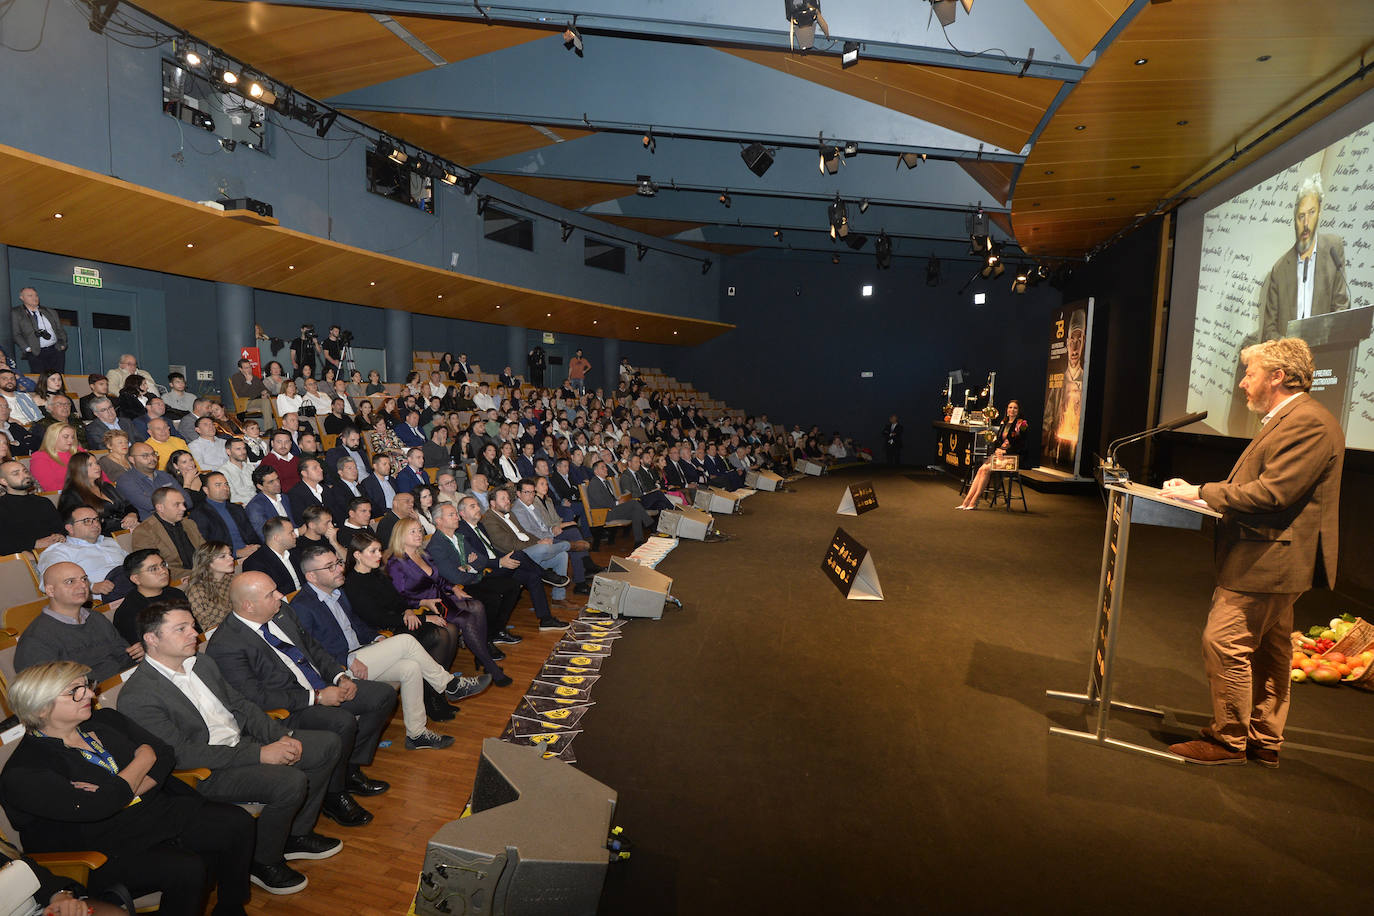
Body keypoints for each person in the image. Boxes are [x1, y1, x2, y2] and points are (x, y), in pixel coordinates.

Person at [1160, 338, 1344, 767]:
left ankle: (1228, 740)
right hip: (1274, 556)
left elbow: (1274, 493)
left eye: (1250, 373)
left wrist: (1201, 492)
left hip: (1271, 561)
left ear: (1277, 376)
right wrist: (1200, 496)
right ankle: (1264, 739)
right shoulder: (1290, 419)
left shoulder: (1307, 422)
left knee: (1224, 641)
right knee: (1271, 650)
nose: (1243, 383)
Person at [118, 602, 343, 896]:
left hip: (242, 744)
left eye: (193, 626)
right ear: (151, 638)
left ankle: (295, 835)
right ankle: (263, 861)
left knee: (326, 744)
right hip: (205, 772)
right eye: (181, 629)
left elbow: (242, 707)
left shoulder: (202, 664)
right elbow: (182, 754)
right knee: (290, 782)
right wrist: (261, 754)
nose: (195, 634)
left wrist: (281, 735)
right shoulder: (139, 695)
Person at [1, 661, 255, 915]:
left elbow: (164, 754)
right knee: (187, 867)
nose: (91, 693)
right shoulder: (24, 771)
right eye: (75, 690)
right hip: (100, 846)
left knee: (237, 823)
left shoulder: (105, 720)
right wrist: (143, 758)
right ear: (41, 708)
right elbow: (96, 808)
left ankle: (230, 907)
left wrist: (124, 791)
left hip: (150, 813)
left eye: (86, 685)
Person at [207, 571, 397, 827]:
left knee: (382, 695)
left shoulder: (282, 612)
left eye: (277, 590)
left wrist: (340, 676)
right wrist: (316, 697)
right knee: (341, 722)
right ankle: (334, 794)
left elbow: (314, 648)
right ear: (248, 606)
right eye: (271, 594)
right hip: (288, 707)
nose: (281, 596)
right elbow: (256, 698)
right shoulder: (226, 644)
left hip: (321, 685)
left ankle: (348, 769)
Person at [292, 542, 483, 749]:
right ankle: (450, 685)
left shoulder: (336, 591)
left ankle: (417, 734)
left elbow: (356, 624)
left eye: (338, 562)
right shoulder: (302, 607)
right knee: (406, 641)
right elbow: (311, 651)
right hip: (339, 669)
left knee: (411, 668)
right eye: (330, 567)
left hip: (362, 653)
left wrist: (376, 638)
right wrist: (347, 660)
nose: (339, 568)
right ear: (311, 576)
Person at [384, 518, 511, 685]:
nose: (419, 534)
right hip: (423, 606)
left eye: (419, 530)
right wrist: (421, 602)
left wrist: (454, 588)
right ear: (400, 536)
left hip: (441, 597)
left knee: (477, 605)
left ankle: (482, 655)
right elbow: (400, 596)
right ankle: (491, 666)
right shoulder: (396, 563)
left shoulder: (422, 554)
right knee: (465, 619)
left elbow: (438, 580)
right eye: (412, 531)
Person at [1259, 174, 1350, 343]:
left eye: (1311, 213)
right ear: (1295, 220)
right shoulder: (1279, 270)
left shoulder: (1333, 249)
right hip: (1291, 360)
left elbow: (1341, 307)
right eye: (1301, 216)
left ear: (1320, 213)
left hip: (1325, 351)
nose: (1306, 223)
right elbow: (1269, 329)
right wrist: (1290, 348)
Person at [14, 562, 142, 682]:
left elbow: (123, 655)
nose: (82, 585)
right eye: (70, 581)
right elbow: (45, 692)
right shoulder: (36, 639)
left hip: (125, 683)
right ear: (50, 591)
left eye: (84, 579)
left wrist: (137, 654)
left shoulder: (96, 617)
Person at [36, 506, 132, 603]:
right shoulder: (60, 551)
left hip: (132, 582)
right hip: (109, 596)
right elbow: (49, 583)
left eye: (96, 519)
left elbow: (133, 563)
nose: (95, 524)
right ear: (70, 528)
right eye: (87, 521)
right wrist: (90, 586)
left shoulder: (110, 541)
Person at [958, 400, 1031, 510]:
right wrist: (997, 450)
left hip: (1013, 457)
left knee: (986, 469)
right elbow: (998, 442)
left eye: (1015, 408)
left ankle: (974, 501)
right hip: (1000, 455)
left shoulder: (1022, 424)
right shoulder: (1004, 422)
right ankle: (966, 501)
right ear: (1007, 409)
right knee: (981, 469)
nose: (1012, 410)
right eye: (1010, 407)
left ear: (1019, 410)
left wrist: (1006, 452)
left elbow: (1022, 445)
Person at [112, 550, 189, 645]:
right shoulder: (128, 612)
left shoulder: (176, 593)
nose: (163, 571)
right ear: (136, 579)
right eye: (154, 569)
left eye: (163, 565)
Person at [131, 487, 204, 581]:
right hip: (177, 581)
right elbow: (152, 569)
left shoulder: (189, 524)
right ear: (160, 507)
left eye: (183, 504)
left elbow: (206, 551)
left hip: (202, 574)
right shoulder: (144, 531)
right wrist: (197, 574)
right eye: (177, 504)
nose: (184, 508)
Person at [58, 451, 138, 536]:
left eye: (96, 463)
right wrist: (121, 526)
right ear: (79, 469)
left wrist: (132, 514)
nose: (97, 467)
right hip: (100, 535)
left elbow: (128, 505)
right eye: (90, 465)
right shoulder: (71, 495)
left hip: (125, 529)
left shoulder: (106, 486)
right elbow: (81, 525)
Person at [188, 471, 260, 560]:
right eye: (218, 485)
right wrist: (235, 553)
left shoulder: (237, 508)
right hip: (225, 560)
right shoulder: (199, 515)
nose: (225, 488)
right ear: (206, 490)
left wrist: (256, 547)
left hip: (251, 555)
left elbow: (252, 535)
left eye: (226, 484)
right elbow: (205, 548)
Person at [0, 459, 65, 554]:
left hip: (58, 551)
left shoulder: (43, 502)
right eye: (16, 473)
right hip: (26, 558)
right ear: (4, 481)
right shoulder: (2, 507)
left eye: (25, 471)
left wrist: (59, 536)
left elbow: (60, 529)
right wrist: (33, 544)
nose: (25, 475)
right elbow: (3, 544)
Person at [585, 460, 653, 543]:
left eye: (605, 467)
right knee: (634, 503)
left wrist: (619, 500)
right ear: (596, 471)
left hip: (611, 509)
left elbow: (610, 499)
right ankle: (650, 524)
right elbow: (600, 502)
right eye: (602, 467)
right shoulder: (594, 483)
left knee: (636, 512)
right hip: (603, 513)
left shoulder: (605, 482)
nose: (606, 469)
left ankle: (638, 541)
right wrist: (617, 503)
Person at [10, 287, 67, 373]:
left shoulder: (50, 311)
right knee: (40, 380)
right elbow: (16, 333)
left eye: (36, 295)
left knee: (58, 377)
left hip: (56, 350)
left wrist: (63, 344)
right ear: (22, 298)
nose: (34, 298)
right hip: (36, 352)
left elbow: (60, 329)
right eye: (30, 295)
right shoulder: (16, 313)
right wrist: (27, 348)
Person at [185, 541, 238, 632]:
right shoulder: (197, 590)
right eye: (222, 556)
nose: (231, 558)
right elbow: (206, 627)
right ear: (208, 562)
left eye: (230, 554)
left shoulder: (233, 579)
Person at [243, 517, 303, 596]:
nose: (295, 535)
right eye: (291, 532)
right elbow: (265, 596)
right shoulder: (254, 563)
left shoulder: (295, 552)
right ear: (277, 538)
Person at [245, 465, 298, 539]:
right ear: (260, 486)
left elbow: (294, 524)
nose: (277, 483)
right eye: (271, 482)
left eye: (277, 479)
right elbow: (266, 537)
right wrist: (297, 532)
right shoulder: (255, 507)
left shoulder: (284, 498)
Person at [28, 423, 80, 493]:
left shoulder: (78, 452)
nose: (71, 440)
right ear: (53, 437)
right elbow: (50, 489)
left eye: (72, 437)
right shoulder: (40, 458)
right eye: (66, 436)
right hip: (62, 498)